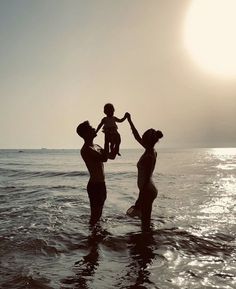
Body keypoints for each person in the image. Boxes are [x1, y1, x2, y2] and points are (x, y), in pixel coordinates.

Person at [126, 113, 163, 232]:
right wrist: (129, 121)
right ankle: (146, 244)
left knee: (145, 222)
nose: (141, 139)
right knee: (145, 221)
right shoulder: (150, 149)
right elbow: (136, 136)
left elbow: (146, 180)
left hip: (147, 190)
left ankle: (146, 246)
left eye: (143, 138)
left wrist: (138, 199)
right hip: (148, 190)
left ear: (147, 140)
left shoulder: (149, 156)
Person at [76, 121, 108, 226]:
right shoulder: (86, 149)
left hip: (101, 184)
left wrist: (115, 141)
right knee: (95, 216)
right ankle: (91, 240)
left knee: (99, 214)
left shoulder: (97, 146)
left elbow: (110, 156)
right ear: (85, 134)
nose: (94, 129)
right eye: (91, 128)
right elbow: (104, 158)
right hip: (95, 186)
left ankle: (96, 237)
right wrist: (107, 137)